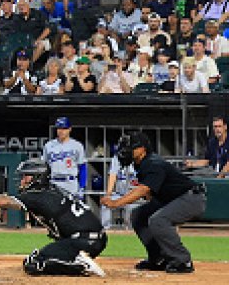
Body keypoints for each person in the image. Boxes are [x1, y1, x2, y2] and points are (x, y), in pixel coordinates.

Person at [0, 158, 106, 277]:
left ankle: (80, 265)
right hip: (93, 238)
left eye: (26, 176)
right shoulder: (52, 190)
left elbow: (3, 201)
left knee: (34, 265)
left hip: (84, 240)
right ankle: (76, 258)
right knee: (35, 260)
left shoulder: (38, 196)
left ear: (37, 178)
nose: (22, 180)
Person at [102, 132, 205, 274]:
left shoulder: (153, 163)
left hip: (191, 198)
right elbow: (150, 193)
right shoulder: (141, 163)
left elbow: (143, 190)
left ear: (142, 149)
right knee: (139, 215)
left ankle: (182, 260)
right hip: (173, 198)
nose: (126, 151)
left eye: (131, 147)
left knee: (158, 220)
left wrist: (116, 203)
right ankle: (159, 258)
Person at [102, 138, 143, 229]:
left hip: (134, 196)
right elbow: (112, 175)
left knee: (132, 214)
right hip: (119, 194)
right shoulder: (117, 158)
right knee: (105, 204)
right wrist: (108, 194)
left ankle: (132, 233)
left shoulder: (140, 158)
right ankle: (106, 230)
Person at [42, 116, 87, 197]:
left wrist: (82, 187)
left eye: (64, 128)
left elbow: (82, 167)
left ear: (70, 129)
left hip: (70, 183)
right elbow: (44, 167)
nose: (61, 131)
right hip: (54, 182)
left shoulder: (77, 145)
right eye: (59, 128)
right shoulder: (48, 146)